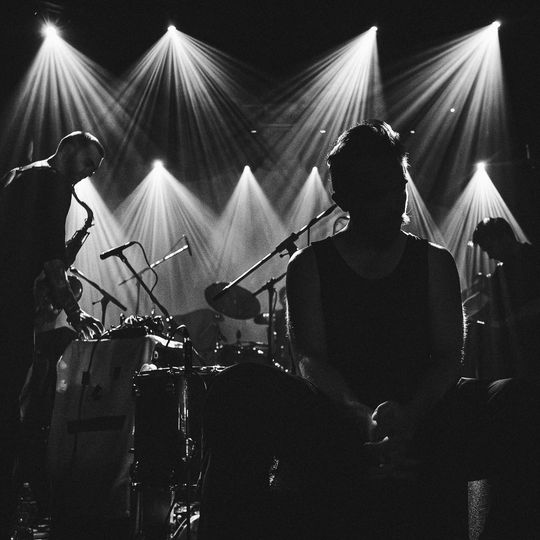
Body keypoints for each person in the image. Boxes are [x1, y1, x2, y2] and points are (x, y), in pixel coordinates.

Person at [198, 121, 540, 539]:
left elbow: (450, 355)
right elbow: (310, 358)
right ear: (342, 197)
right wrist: (362, 417)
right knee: (237, 387)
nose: (393, 200)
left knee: (520, 402)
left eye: (398, 186)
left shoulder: (435, 261)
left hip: (425, 411)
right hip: (336, 418)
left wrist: (410, 417)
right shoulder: (307, 265)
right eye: (375, 190)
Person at [0, 131, 104, 533]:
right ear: (67, 150)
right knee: (10, 409)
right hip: (10, 307)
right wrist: (74, 311)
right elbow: (50, 261)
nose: (89, 174)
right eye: (88, 164)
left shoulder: (18, 174)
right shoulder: (54, 184)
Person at [471, 217, 540, 377]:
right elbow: (482, 299)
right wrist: (459, 313)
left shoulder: (534, 258)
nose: (490, 256)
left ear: (504, 237)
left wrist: (516, 317)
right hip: (519, 352)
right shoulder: (502, 271)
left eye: (489, 248)